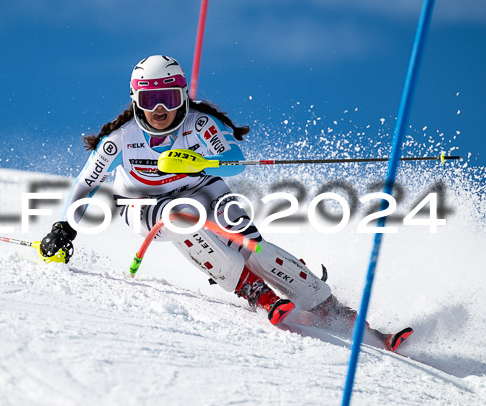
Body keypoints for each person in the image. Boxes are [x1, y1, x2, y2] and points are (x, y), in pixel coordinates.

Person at [38, 55, 412, 348]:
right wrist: (63, 227)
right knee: (177, 216)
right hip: (141, 202)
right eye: (151, 101)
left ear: (182, 96)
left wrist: (202, 160)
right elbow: (87, 182)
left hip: (201, 187)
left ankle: (330, 308)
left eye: (168, 99)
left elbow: (233, 158)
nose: (160, 110)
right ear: (136, 100)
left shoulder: (199, 124)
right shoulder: (121, 138)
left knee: (246, 237)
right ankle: (253, 290)